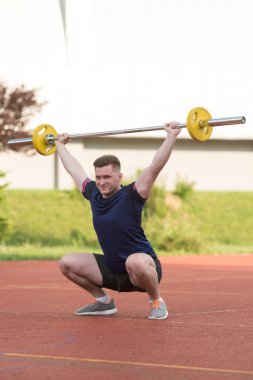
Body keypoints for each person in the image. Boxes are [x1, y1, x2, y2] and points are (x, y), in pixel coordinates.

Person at [56, 121, 181, 320]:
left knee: (135, 260)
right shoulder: (93, 193)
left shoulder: (133, 194)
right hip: (113, 269)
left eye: (107, 176)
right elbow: (74, 170)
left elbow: (155, 167)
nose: (101, 182)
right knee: (66, 262)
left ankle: (156, 300)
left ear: (119, 176)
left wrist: (171, 136)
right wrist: (60, 146)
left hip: (143, 270)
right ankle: (103, 302)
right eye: (98, 177)